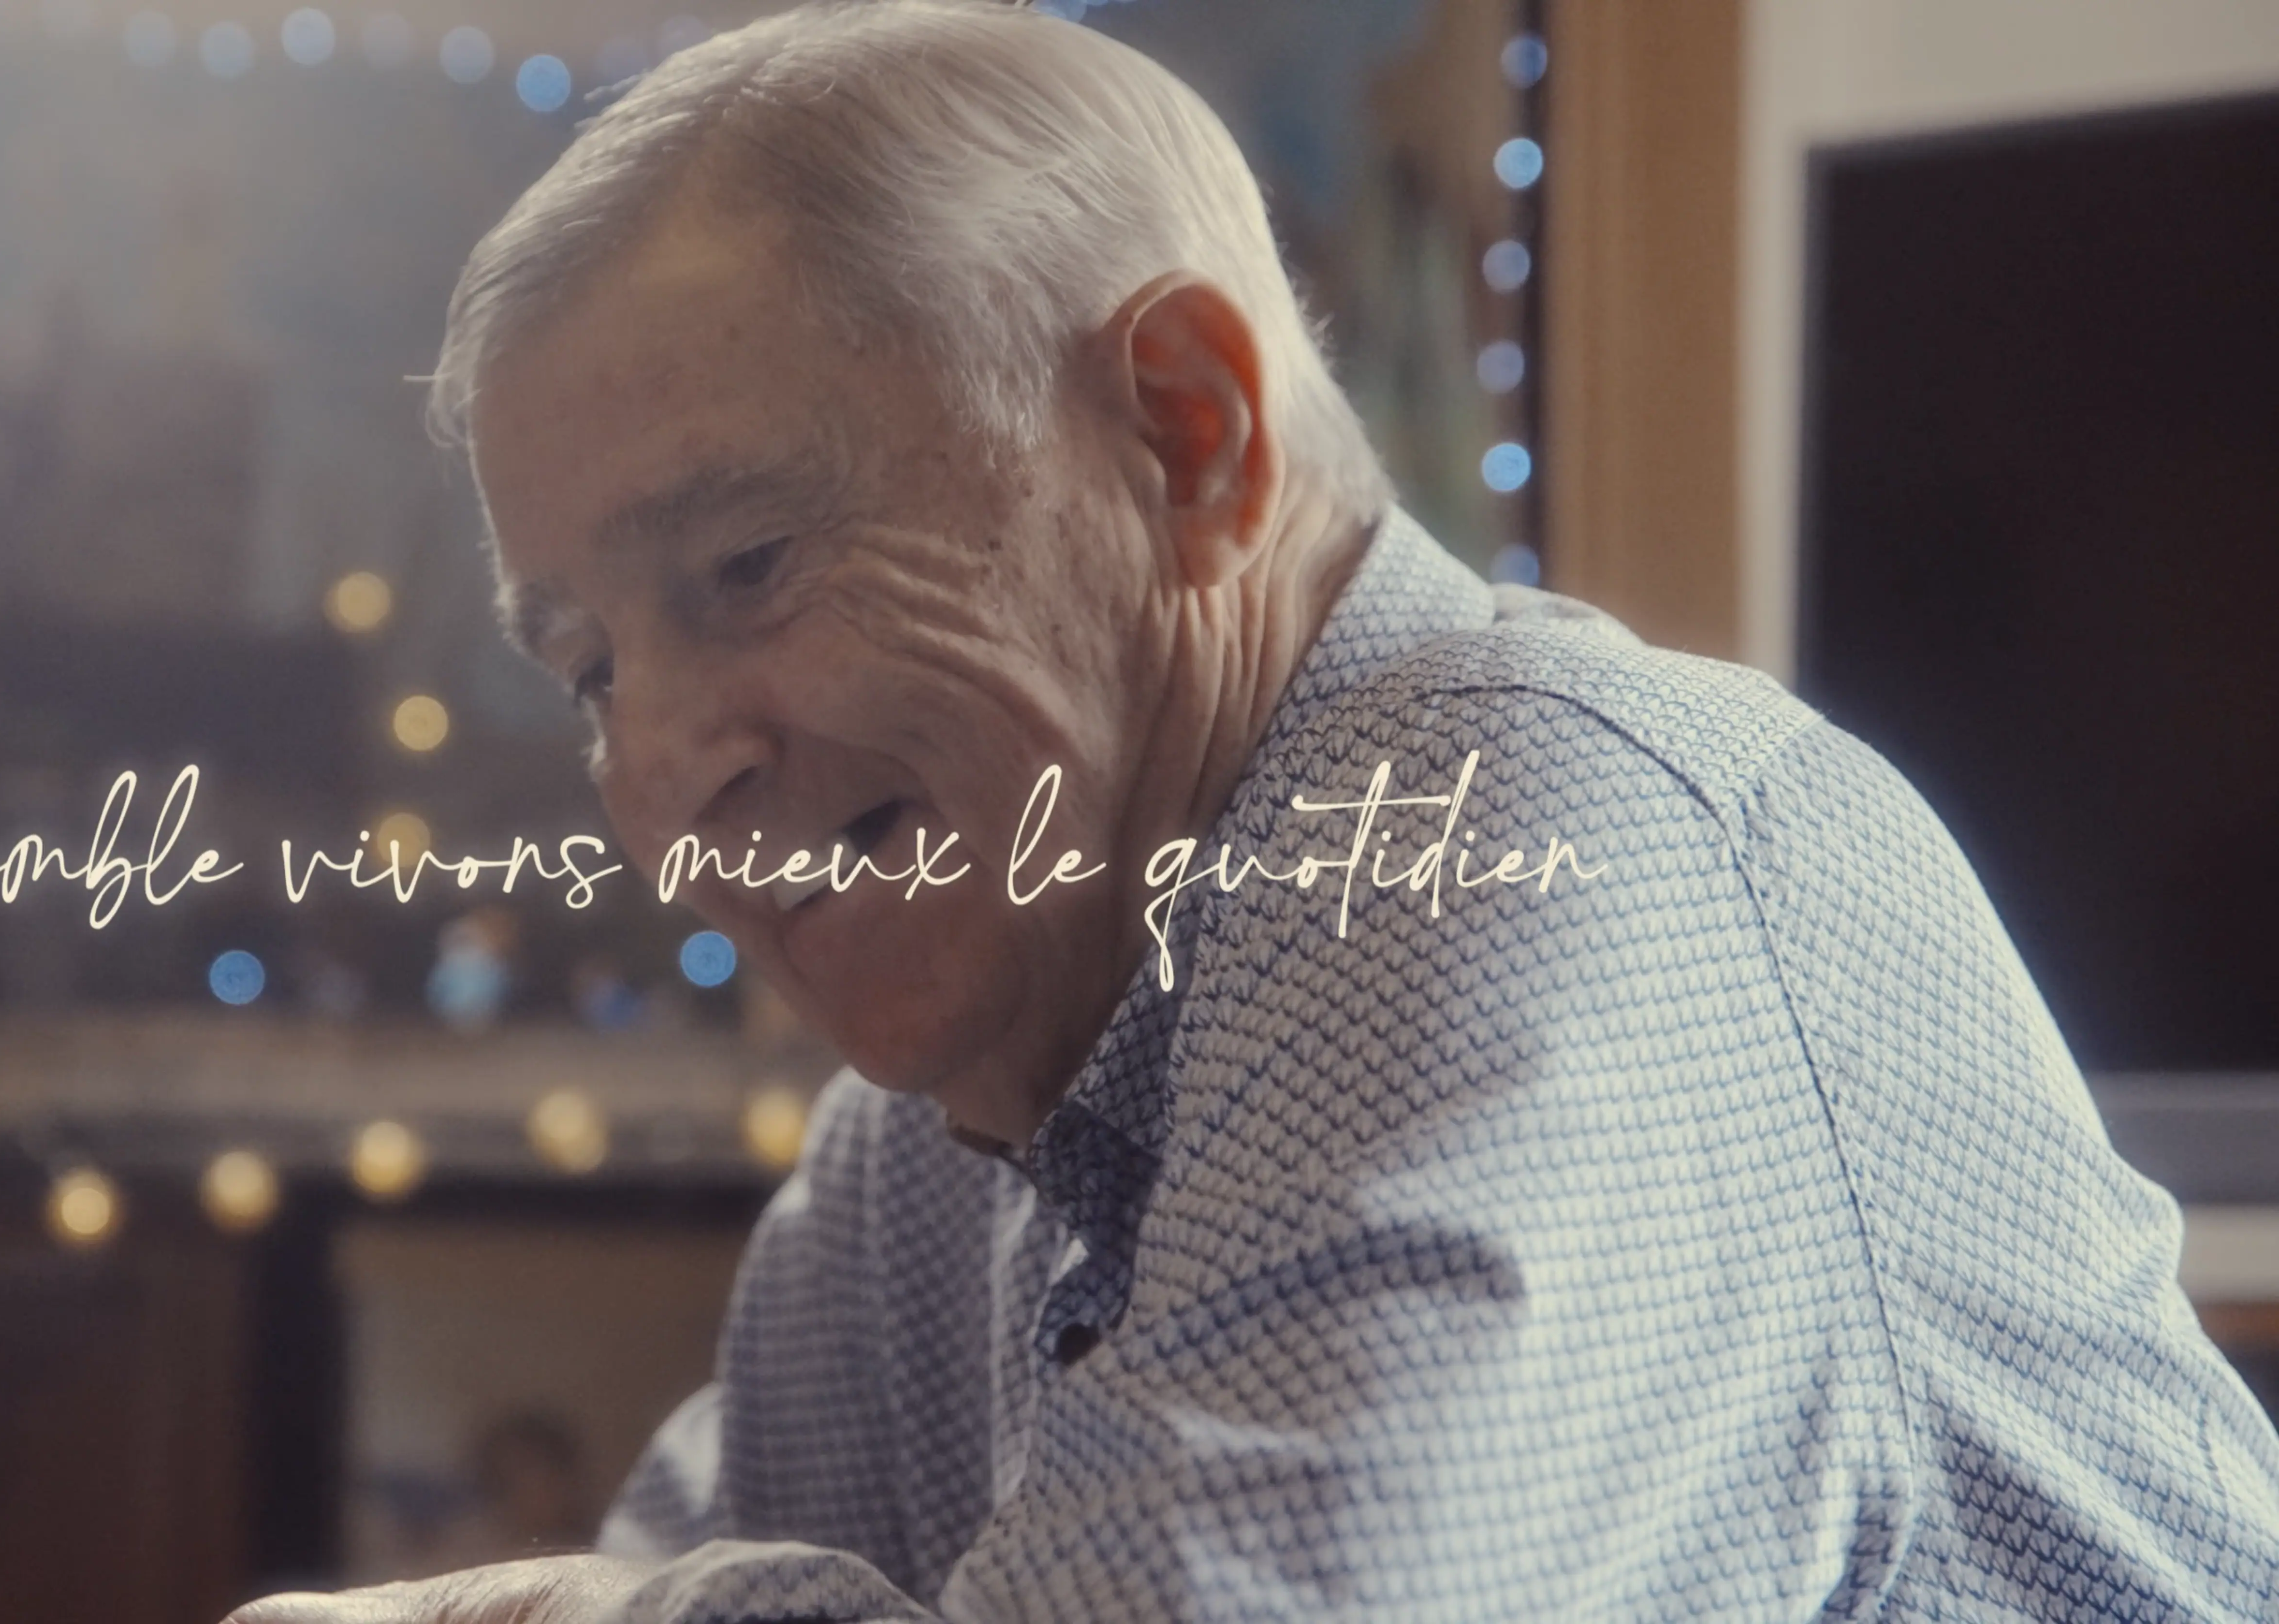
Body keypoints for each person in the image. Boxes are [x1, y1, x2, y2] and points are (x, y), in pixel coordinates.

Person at [234, 2, 2279, 1619]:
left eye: (748, 564)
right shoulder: (914, 1159)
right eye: (591, 670)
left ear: (1186, 434)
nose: (662, 775)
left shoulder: (1529, 822)